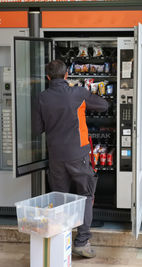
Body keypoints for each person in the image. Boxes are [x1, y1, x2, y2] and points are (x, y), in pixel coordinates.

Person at [33, 59, 108, 258]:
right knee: (85, 196)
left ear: (48, 77)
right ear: (66, 75)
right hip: (79, 156)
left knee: (61, 199)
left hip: (56, 157)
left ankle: (60, 242)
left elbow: (36, 129)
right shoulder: (78, 93)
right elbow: (103, 105)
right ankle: (82, 242)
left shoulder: (42, 98)